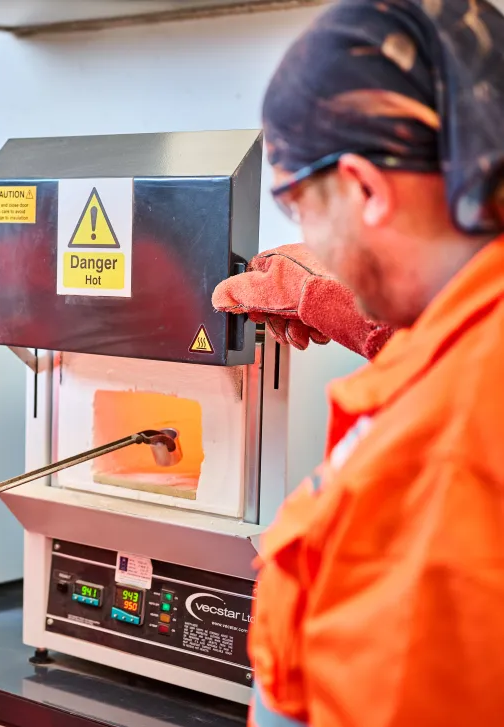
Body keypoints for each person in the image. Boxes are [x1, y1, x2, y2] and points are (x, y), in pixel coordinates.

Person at [210, 0, 504, 724]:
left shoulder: (442, 449)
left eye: (302, 205)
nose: (309, 236)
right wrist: (362, 313)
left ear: (366, 188)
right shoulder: (471, 346)